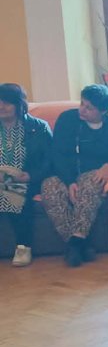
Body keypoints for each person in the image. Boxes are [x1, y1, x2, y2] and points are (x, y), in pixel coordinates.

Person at [40, 84, 108, 266]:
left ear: (103, 111)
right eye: (82, 104)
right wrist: (69, 182)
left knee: (92, 182)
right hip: (63, 173)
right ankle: (79, 244)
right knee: (49, 187)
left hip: (92, 172)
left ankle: (75, 243)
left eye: (89, 108)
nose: (82, 110)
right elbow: (57, 154)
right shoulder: (67, 119)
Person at [0, 82, 52, 267]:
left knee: (13, 189)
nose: (1, 106)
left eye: (7, 102)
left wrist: (30, 176)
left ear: (19, 104)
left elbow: (50, 160)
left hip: (28, 179)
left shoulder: (38, 127)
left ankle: (23, 246)